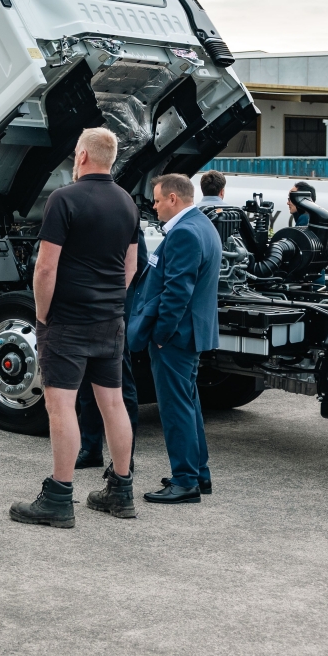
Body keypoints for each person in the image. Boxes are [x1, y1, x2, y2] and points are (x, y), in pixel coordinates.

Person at [10, 127, 139, 528]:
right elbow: (130, 266)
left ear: (81, 156)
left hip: (67, 321)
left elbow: (45, 267)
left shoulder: (63, 199)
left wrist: (43, 316)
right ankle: (121, 490)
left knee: (60, 405)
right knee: (112, 402)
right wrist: (110, 301)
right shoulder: (127, 203)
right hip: (109, 320)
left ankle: (59, 497)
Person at [128, 172, 222, 505]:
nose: (153, 207)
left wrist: (161, 335)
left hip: (176, 338)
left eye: (156, 200)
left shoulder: (184, 233)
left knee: (175, 408)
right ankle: (199, 474)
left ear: (173, 199)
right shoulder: (202, 225)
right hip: (189, 335)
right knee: (189, 404)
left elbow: (176, 293)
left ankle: (185, 482)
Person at [75, 220, 146, 470]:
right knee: (87, 384)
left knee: (121, 383)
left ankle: (125, 457)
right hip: (87, 309)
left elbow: (139, 265)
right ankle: (90, 448)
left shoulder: (125, 214)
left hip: (115, 310)